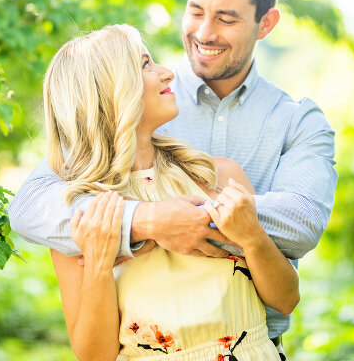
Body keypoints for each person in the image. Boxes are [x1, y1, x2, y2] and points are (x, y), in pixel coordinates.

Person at [9, 0, 337, 357]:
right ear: (113, 95)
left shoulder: (285, 129)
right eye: (196, 11)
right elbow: (29, 206)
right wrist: (145, 220)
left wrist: (206, 221)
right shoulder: (93, 197)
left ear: (266, 24)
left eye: (226, 18)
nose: (204, 31)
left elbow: (302, 228)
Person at [42, 24, 296, 360]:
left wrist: (254, 238)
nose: (166, 73)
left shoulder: (218, 176)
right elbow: (94, 355)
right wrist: (99, 264)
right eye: (145, 65)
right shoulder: (83, 214)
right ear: (109, 92)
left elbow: (286, 300)